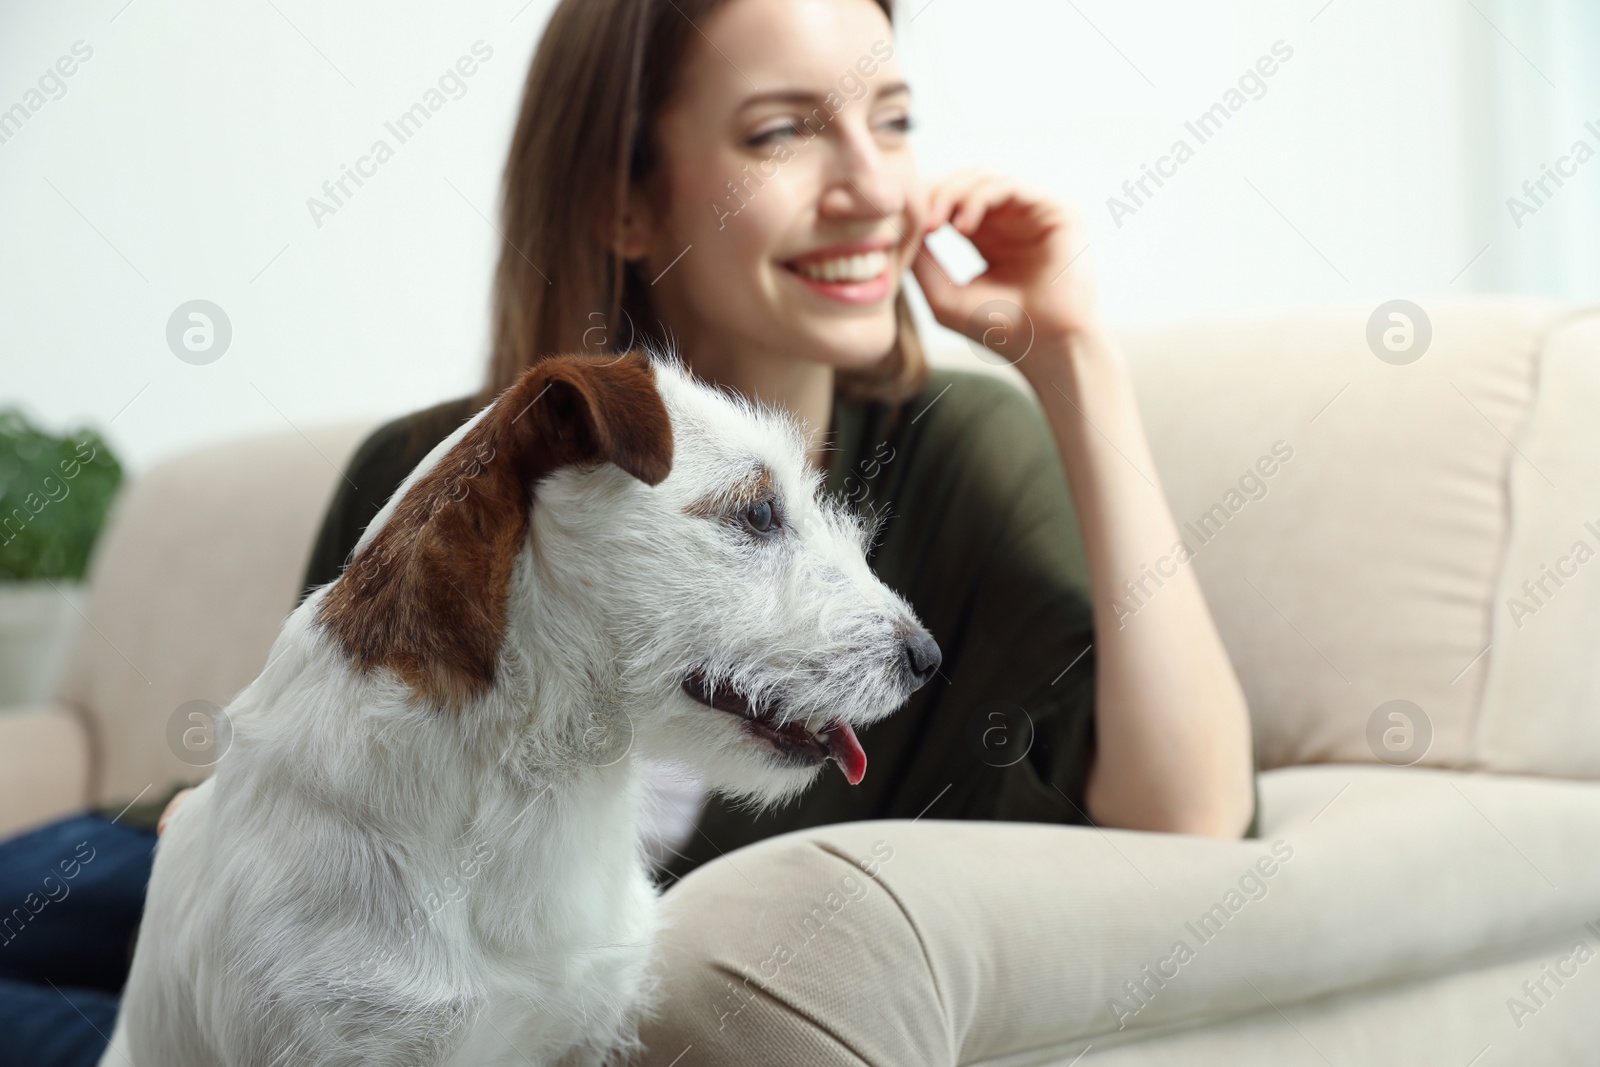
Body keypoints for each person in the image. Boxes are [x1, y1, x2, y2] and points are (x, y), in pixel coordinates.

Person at [0, 0, 1258, 1061]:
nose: (877, 188)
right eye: (783, 131)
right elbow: (317, 741)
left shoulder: (955, 453)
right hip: (214, 873)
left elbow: (1193, 813)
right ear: (625, 206)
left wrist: (1074, 356)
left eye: (892, 120)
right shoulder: (438, 465)